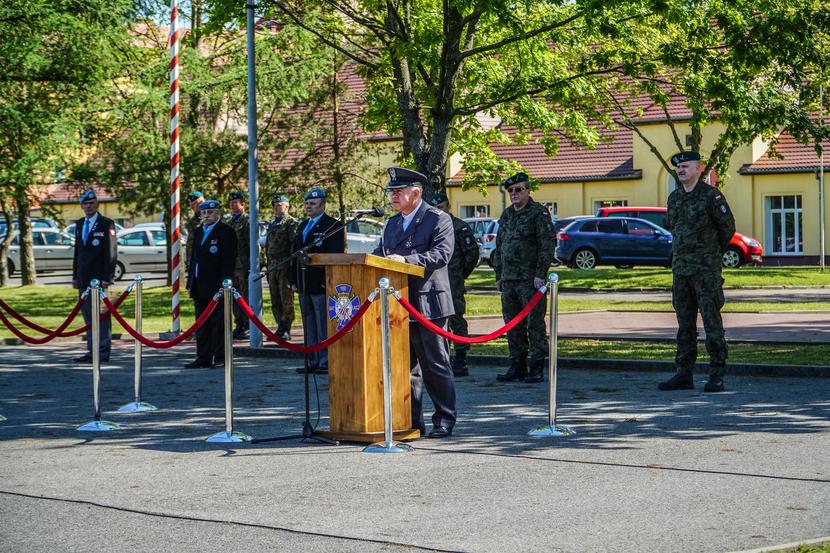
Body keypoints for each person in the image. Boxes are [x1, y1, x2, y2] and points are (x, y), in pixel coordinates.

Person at [373, 167, 457, 439]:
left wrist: (406, 261)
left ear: (416, 193)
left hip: (429, 304)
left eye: (399, 191)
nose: (393, 196)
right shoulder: (391, 224)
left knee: (435, 365)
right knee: (404, 368)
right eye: (392, 192)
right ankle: (411, 422)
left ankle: (444, 419)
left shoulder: (437, 219)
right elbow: (379, 255)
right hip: (397, 305)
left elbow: (441, 255)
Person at [658, 151, 735, 393]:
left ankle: (716, 374)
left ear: (698, 169)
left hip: (705, 271)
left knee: (712, 322)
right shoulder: (674, 198)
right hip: (681, 270)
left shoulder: (711, 196)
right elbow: (673, 227)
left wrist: (710, 253)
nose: (680, 170)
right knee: (684, 325)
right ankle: (683, 374)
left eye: (685, 166)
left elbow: (727, 228)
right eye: (678, 167)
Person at [491, 172, 557, 384]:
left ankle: (536, 367)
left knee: (534, 325)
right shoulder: (507, 215)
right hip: (509, 279)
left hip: (530, 280)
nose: (514, 193)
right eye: (510, 190)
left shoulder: (538, 213)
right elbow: (500, 246)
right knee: (512, 324)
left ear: (528, 190)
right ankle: (517, 365)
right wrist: (499, 274)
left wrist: (540, 274)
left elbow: (547, 245)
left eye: (518, 189)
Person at [291, 188, 345, 374]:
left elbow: (335, 255)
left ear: (323, 205)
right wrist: (293, 279)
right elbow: (294, 254)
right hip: (304, 282)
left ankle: (325, 362)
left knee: (322, 324)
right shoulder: (302, 226)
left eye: (312, 203)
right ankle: (312, 360)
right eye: (307, 203)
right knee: (308, 324)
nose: (308, 206)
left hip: (321, 283)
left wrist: (326, 280)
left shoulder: (332, 225)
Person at [428, 192, 479, 377]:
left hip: (453, 281)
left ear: (449, 207)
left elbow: (472, 254)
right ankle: (443, 358)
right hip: (434, 281)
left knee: (456, 318)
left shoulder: (459, 227)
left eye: (441, 207)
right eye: (434, 209)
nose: (438, 211)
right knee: (438, 319)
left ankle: (461, 359)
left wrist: (460, 274)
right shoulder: (429, 228)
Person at [185, 200, 237, 368]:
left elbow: (228, 261)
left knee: (219, 323)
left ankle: (221, 357)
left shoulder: (226, 231)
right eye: (203, 213)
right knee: (201, 323)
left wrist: (225, 283)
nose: (206, 215)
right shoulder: (199, 231)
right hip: (199, 283)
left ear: (217, 213)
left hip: (216, 285)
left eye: (210, 212)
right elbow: (194, 258)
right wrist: (190, 281)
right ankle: (203, 357)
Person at [72, 189, 118, 363]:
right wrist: (75, 276)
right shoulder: (79, 224)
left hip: (99, 279)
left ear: (97, 204)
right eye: (85, 204)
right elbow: (78, 253)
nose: (88, 206)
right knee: (88, 317)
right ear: (82, 206)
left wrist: (108, 277)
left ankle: (103, 351)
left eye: (91, 203)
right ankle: (92, 350)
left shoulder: (106, 224)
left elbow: (111, 252)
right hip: (84, 278)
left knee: (101, 315)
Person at [265, 195, 298, 340]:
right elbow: (268, 247)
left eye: (279, 205)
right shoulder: (273, 223)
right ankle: (280, 326)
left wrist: (291, 267)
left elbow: (293, 245)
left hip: (284, 266)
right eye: (275, 206)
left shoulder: (290, 223)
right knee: (275, 299)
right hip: (273, 267)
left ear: (287, 206)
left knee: (286, 299)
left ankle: (286, 328)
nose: (277, 208)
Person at [227, 191, 250, 339]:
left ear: (243, 204)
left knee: (245, 296)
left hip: (244, 265)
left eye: (235, 203)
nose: (233, 206)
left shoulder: (247, 221)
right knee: (235, 297)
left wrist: (253, 265)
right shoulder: (230, 223)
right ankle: (239, 323)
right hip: (233, 266)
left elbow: (251, 244)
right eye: (231, 203)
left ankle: (248, 324)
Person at [184, 191, 203, 279]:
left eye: (194, 204)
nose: (191, 206)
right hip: (192, 261)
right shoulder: (192, 221)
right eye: (190, 204)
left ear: (201, 202)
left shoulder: (209, 219)